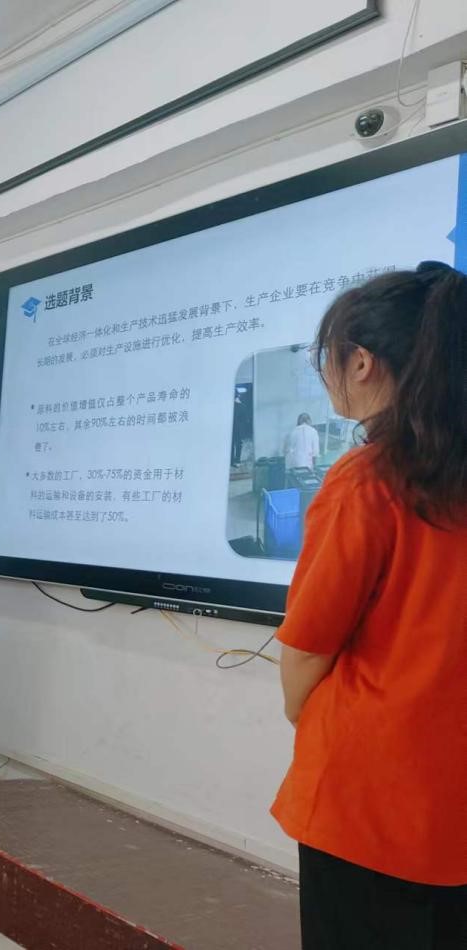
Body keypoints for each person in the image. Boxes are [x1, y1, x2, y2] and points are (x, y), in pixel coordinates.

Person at [272, 261, 467, 949]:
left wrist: (307, 715)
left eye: (324, 357)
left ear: (360, 361)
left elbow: (306, 650)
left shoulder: (367, 479)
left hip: (367, 801)